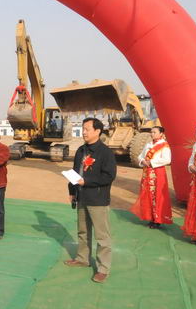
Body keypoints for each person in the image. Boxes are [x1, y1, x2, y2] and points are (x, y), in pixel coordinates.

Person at [64, 118, 117, 283]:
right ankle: (82, 259)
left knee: (102, 236)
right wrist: (72, 191)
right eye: (83, 128)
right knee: (83, 231)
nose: (84, 132)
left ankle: (103, 268)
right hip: (82, 197)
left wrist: (86, 181)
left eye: (87, 129)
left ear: (98, 131)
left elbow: (109, 176)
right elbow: (75, 172)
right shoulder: (81, 150)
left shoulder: (105, 152)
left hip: (98, 199)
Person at [130, 126, 172, 228]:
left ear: (161, 134)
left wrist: (151, 162)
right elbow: (140, 156)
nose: (152, 134)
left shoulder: (164, 145)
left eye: (154, 132)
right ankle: (150, 217)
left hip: (158, 173)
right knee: (148, 194)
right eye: (151, 132)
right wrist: (142, 161)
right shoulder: (148, 144)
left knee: (158, 195)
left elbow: (167, 160)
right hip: (147, 173)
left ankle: (158, 219)